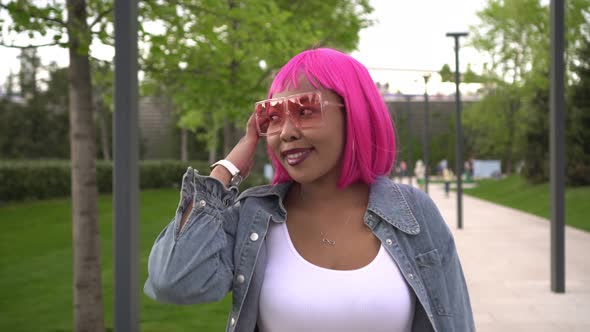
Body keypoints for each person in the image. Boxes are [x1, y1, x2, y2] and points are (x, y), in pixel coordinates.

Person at [144, 48, 474, 332]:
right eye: (272, 116)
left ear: (354, 114)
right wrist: (226, 169)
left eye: (305, 110)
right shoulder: (254, 217)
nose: (286, 131)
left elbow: (456, 322)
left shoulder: (414, 213)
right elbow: (174, 281)